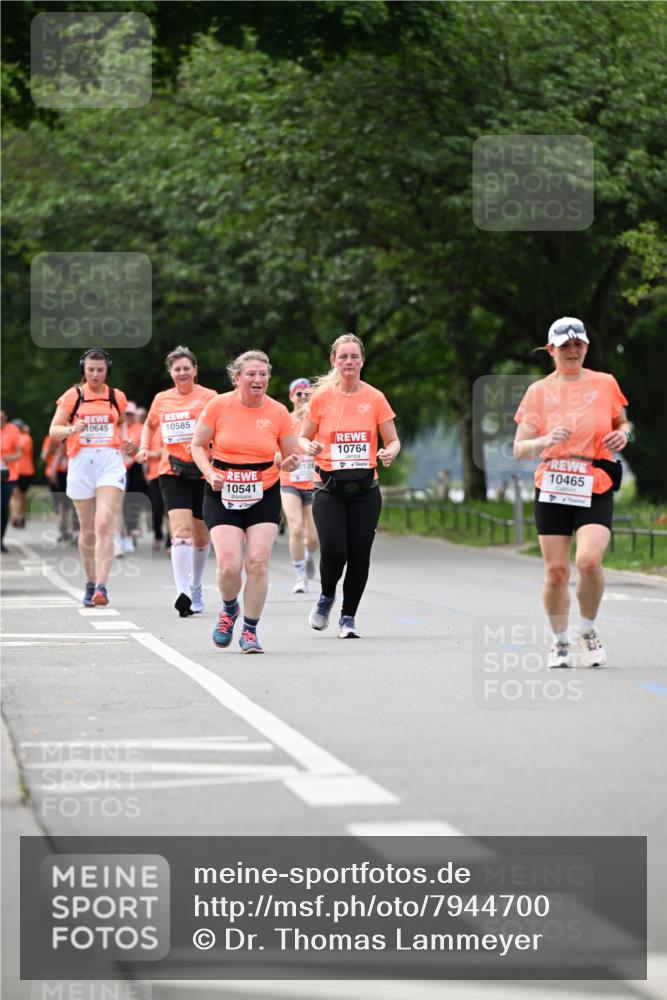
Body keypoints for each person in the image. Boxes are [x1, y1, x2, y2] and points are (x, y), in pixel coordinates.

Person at [513, 317, 631, 668]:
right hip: (553, 483)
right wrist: (545, 440)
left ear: (586, 347)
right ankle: (560, 640)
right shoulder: (539, 391)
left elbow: (622, 421)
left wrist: (624, 433)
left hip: (595, 481)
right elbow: (520, 448)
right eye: (565, 346)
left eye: (578, 344)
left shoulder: (605, 383)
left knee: (589, 561)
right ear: (551, 350)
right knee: (557, 572)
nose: (573, 350)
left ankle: (589, 630)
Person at [190, 350, 300, 653]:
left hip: (263, 491)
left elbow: (291, 453)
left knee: (258, 562)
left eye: (263, 374)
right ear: (237, 378)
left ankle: (250, 630)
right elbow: (197, 446)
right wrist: (210, 473)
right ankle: (229, 610)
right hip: (221, 490)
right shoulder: (218, 406)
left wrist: (290, 462)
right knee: (229, 565)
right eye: (251, 374)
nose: (258, 379)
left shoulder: (278, 412)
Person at [299, 334, 400, 638]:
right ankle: (327, 595)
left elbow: (393, 440)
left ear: (362, 361)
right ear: (334, 361)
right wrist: (310, 448)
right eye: (343, 357)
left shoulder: (375, 398)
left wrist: (389, 453)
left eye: (354, 357)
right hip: (329, 488)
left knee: (359, 554)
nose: (349, 362)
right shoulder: (321, 400)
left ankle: (348, 617)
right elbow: (304, 437)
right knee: (333, 550)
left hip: (366, 491)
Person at [48, 349, 134, 606]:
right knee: (86, 530)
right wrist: (71, 429)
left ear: (107, 370)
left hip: (109, 461)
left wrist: (127, 440)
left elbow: (121, 425)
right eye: (91, 370)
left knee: (104, 524)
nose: (95, 374)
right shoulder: (73, 396)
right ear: (83, 370)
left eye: (100, 370)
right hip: (81, 462)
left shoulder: (116, 396)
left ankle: (102, 587)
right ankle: (89, 581)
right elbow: (54, 430)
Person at [135, 346, 216, 617]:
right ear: (171, 372)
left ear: (195, 370)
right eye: (177, 369)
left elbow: (222, 425)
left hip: (204, 470)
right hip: (172, 470)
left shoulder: (210, 397)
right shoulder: (162, 399)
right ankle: (182, 591)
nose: (182, 373)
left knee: (201, 535)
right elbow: (149, 424)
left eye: (186, 368)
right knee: (180, 531)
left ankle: (195, 586)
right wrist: (145, 447)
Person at [280, 378, 319, 593]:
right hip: (289, 481)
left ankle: (308, 556)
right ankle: (299, 576)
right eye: (299, 394)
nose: (303, 398)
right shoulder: (285, 420)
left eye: (307, 394)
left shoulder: (316, 420)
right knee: (295, 528)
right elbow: (273, 444)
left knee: (313, 537)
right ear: (291, 397)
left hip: (313, 483)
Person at [0, 409, 22, 553]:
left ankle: (0, 539)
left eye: (2, 417)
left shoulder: (13, 430)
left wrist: (7, 458)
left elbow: (19, 453)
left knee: (3, 507)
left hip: (8, 474)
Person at [10, 420, 34, 528]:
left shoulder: (26, 438)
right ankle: (15, 516)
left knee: (22, 495)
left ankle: (21, 516)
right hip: (15, 471)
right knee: (16, 493)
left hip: (26, 471)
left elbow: (19, 448)